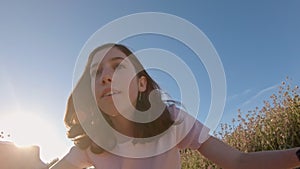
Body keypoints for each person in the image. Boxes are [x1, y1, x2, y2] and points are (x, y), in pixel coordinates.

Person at [50, 43, 300, 169]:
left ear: (141, 84)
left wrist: (295, 155)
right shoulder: (90, 143)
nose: (105, 76)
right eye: (96, 73)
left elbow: (238, 161)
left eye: (118, 66)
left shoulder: (171, 120)